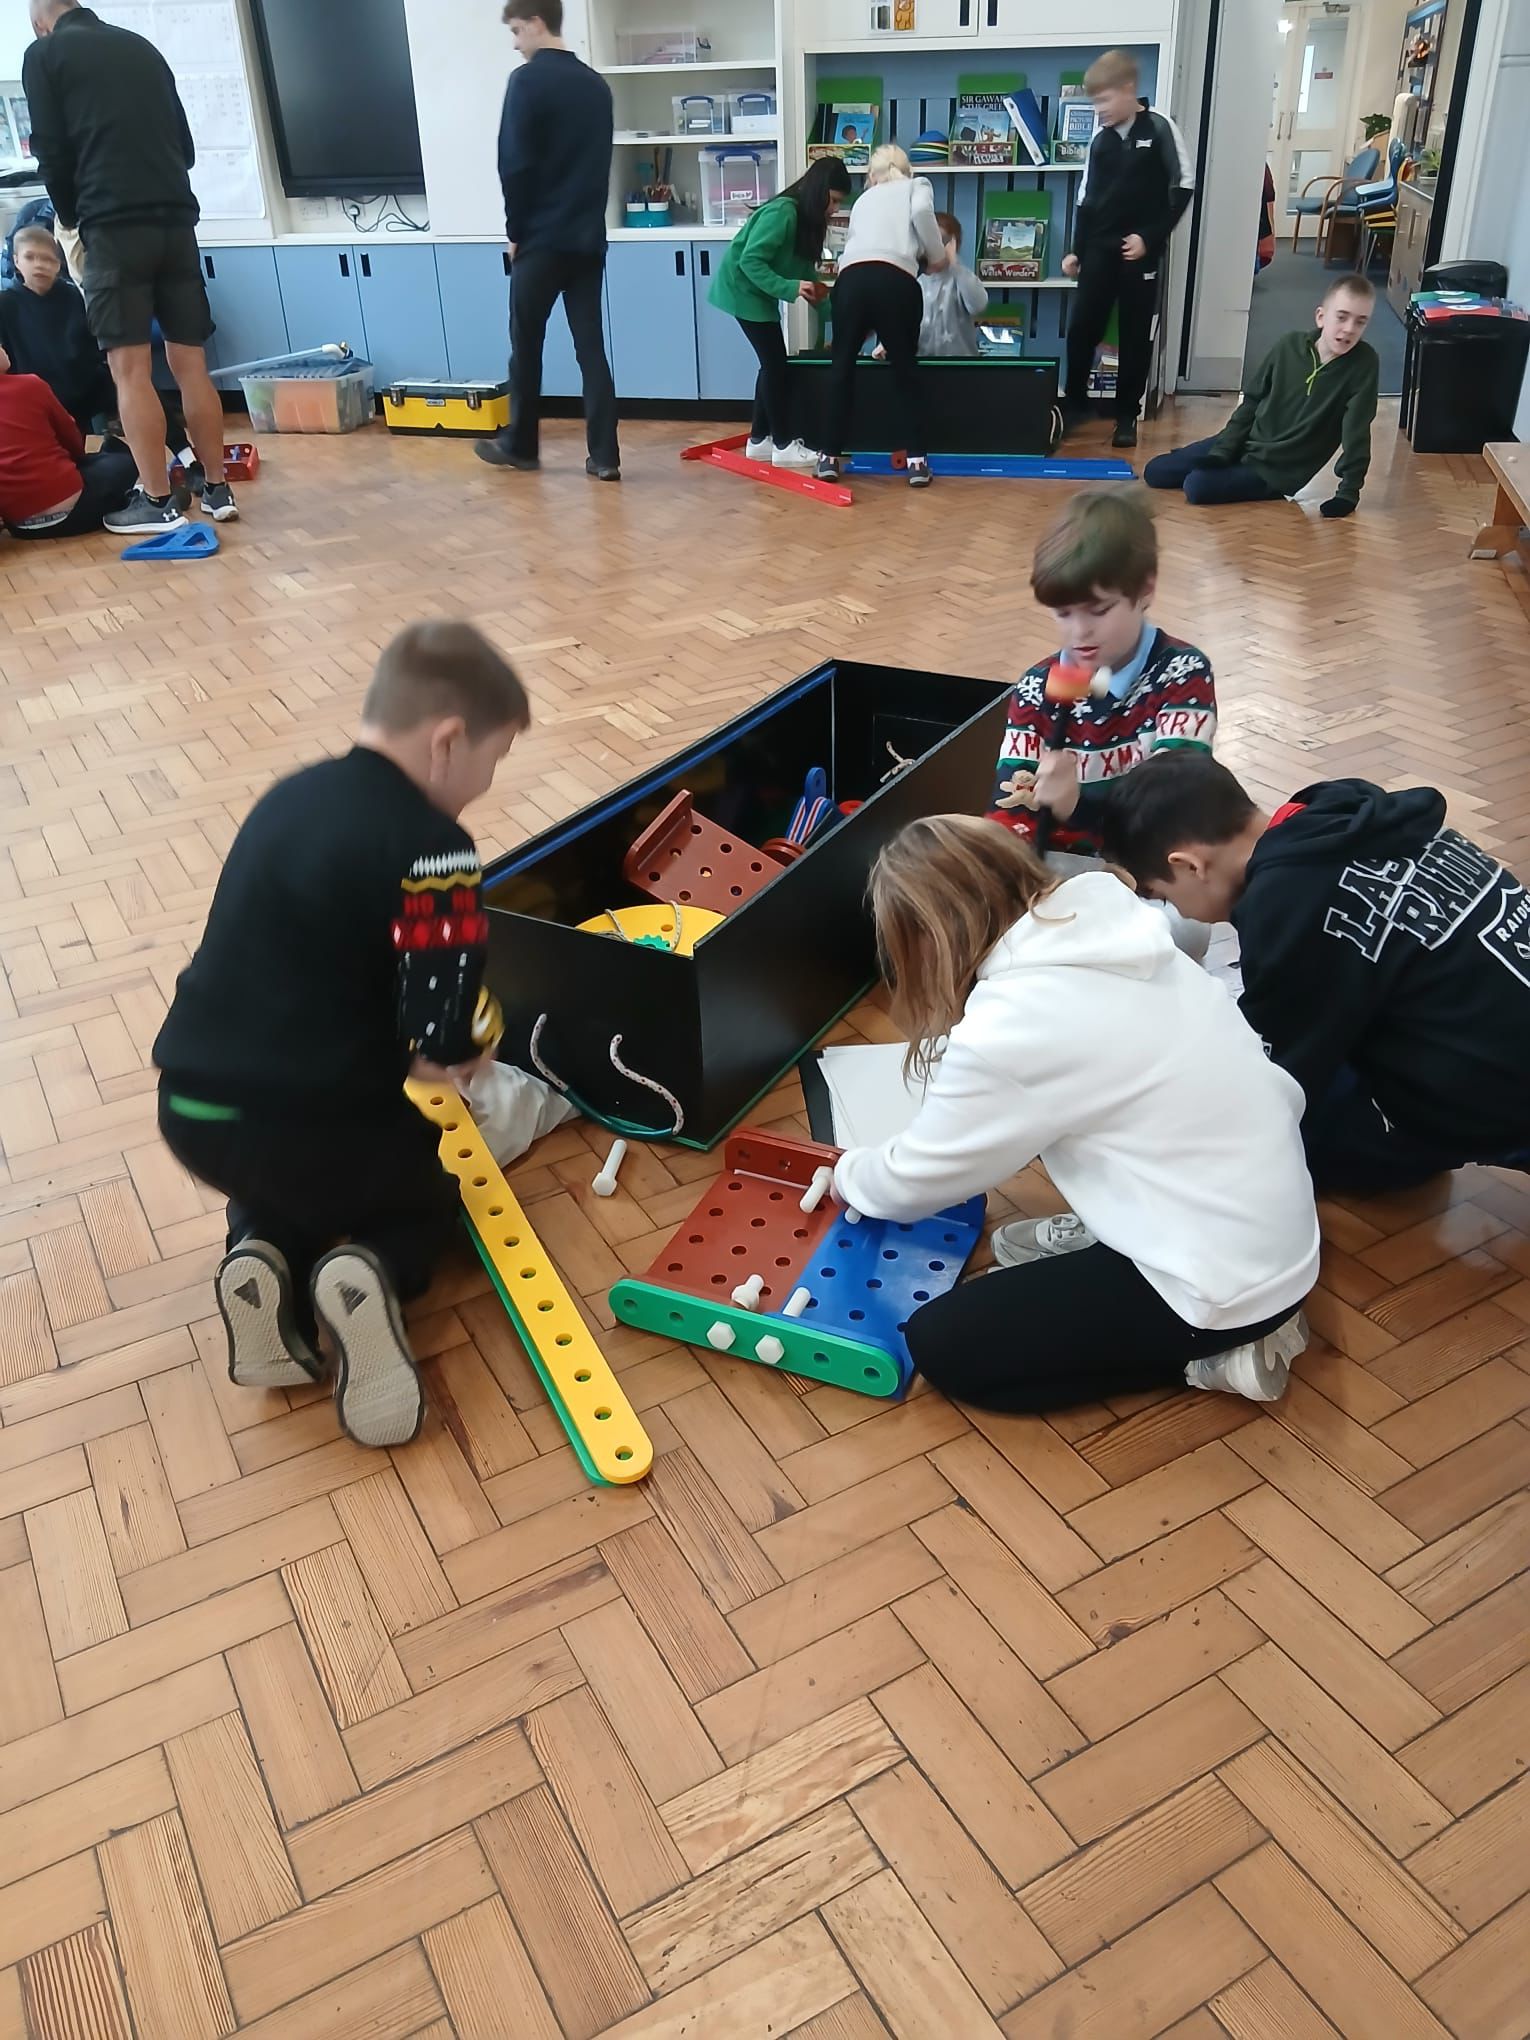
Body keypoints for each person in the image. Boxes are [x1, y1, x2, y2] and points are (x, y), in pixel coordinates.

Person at [153, 623, 531, 1449]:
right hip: (312, 1123)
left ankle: (260, 1249)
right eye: (493, 759)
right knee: (422, 1197)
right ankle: (372, 1273)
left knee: (280, 1177)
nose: (486, 784)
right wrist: (479, 1043)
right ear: (447, 741)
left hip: (192, 1109)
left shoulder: (289, 799)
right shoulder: (435, 851)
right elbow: (440, 1035)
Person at [831, 817, 1319, 1411]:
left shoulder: (1015, 1025)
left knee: (943, 1344)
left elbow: (916, 1181)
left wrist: (848, 1175)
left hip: (1223, 1290)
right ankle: (1121, 1245)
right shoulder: (1114, 925)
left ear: (926, 939)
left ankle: (1209, 1356)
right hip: (1274, 1226)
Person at [1098, 753, 1530, 1195]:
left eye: (1163, 896)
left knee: (1255, 1131)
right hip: (1500, 1038)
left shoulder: (1287, 903)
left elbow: (1270, 1080)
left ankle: (1424, 1140)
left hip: (1501, 1103)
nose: (1180, 912)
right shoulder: (1343, 815)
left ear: (1189, 865)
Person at [23, 0, 237, 532]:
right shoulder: (142, 47)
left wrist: (71, 217)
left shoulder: (45, 55)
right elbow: (185, 146)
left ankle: (159, 501)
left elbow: (51, 151)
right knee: (191, 364)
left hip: (113, 228)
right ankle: (216, 487)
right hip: (176, 222)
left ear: (40, 22)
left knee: (130, 370)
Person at [987, 488, 1216, 866]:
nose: (1080, 632)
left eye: (1099, 610)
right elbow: (1010, 812)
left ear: (1146, 588)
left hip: (1151, 874)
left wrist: (1077, 807)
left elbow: (1171, 820)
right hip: (1057, 874)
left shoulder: (1181, 673)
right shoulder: (1036, 688)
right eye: (1063, 613)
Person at [479, 0, 620, 482]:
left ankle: (521, 446)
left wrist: (516, 233)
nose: (516, 44)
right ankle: (605, 456)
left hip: (540, 240)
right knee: (591, 349)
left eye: (518, 31)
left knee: (526, 345)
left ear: (538, 23)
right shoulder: (596, 86)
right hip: (587, 240)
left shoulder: (527, 81)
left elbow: (514, 165)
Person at [1144, 273, 1380, 516]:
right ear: (1321, 317)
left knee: (1196, 486)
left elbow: (1357, 431)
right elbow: (1252, 401)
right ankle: (1226, 462)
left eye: (1360, 322)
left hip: (1276, 471)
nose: (1349, 329)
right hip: (1244, 441)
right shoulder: (1289, 346)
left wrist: (1348, 493)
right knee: (1155, 471)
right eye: (1342, 317)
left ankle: (1247, 480)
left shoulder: (1364, 364)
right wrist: (1223, 451)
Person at [1060, 50, 1195, 450]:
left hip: (1139, 252)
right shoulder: (1100, 141)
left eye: (1103, 100)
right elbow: (1086, 199)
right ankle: (1075, 403)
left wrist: (1149, 237)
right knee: (1083, 327)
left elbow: (1183, 186)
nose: (1098, 109)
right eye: (1094, 102)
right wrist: (1077, 250)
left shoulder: (1159, 128)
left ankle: (1126, 416)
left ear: (1128, 90)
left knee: (1135, 335)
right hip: (1098, 250)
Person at [817, 144, 948, 490]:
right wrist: (936, 257)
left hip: (850, 281)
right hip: (895, 280)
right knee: (905, 370)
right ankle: (917, 461)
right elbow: (922, 213)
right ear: (906, 169)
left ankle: (828, 456)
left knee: (841, 367)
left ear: (871, 175)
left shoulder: (864, 199)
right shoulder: (916, 186)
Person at [708, 158, 849, 470]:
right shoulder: (783, 213)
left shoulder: (807, 220)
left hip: (758, 294)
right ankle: (783, 444)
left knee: (772, 365)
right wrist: (790, 287)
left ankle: (759, 440)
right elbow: (750, 261)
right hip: (741, 290)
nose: (835, 209)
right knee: (776, 366)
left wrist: (838, 315)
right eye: (834, 200)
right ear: (819, 191)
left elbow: (805, 274)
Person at [0, 337, 135, 537]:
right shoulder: (29, 385)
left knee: (101, 460)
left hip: (19, 527)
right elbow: (72, 439)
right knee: (125, 462)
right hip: (73, 510)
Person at [0, 222, 114, 430]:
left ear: (58, 265)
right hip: (31, 403)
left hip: (79, 396)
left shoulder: (73, 296)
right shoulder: (6, 304)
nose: (39, 265)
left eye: (47, 259)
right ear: (16, 261)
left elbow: (90, 345)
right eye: (30, 257)